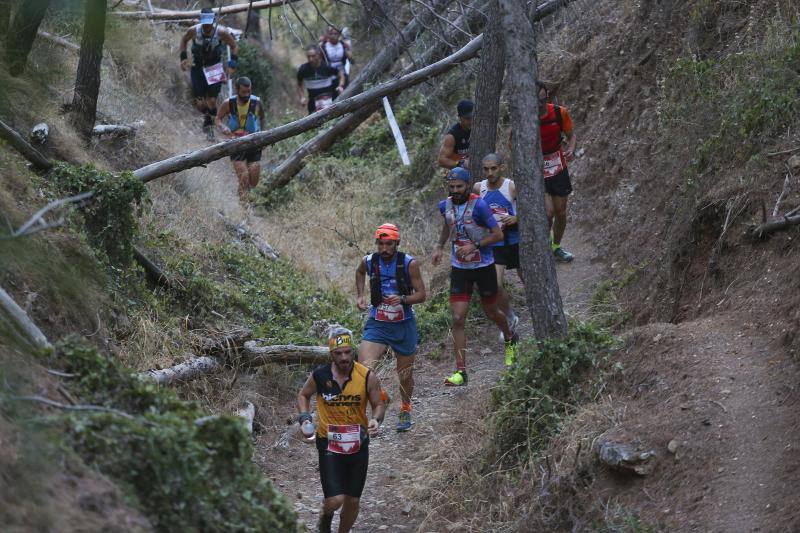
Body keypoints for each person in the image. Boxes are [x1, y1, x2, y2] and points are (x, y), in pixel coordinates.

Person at [432, 167, 517, 386]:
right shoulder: (446, 205)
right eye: (452, 187)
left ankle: (509, 337)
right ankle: (461, 372)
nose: (455, 190)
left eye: (459, 186)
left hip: (483, 265)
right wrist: (440, 246)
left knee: (491, 312)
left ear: (468, 185)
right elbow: (447, 225)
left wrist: (475, 245)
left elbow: (497, 234)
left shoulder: (479, 205)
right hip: (460, 268)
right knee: (458, 318)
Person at [297, 327, 385, 533]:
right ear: (331, 354)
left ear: (353, 350)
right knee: (336, 500)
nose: (344, 357)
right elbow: (303, 395)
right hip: (328, 443)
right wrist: (304, 417)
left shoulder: (366, 376)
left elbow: (379, 403)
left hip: (358, 442)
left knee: (353, 500)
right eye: (338, 353)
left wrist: (376, 420)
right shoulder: (320, 376)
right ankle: (326, 514)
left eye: (348, 352)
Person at [355, 223, 426, 432]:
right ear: (377, 243)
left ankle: (405, 408)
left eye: (389, 244)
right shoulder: (369, 261)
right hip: (378, 323)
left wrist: (403, 298)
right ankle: (382, 397)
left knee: (405, 374)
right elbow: (359, 273)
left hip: (403, 324)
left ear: (397, 243)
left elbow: (422, 295)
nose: (384, 249)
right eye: (381, 244)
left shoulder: (408, 263)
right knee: (363, 370)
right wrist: (360, 295)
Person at [473, 153, 520, 344]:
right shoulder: (479, 188)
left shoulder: (511, 186)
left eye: (493, 168)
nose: (490, 172)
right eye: (486, 169)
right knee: (496, 285)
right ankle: (510, 317)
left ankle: (542, 312)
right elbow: (473, 212)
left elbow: (530, 206)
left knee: (529, 280)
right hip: (495, 242)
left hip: (516, 239)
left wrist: (517, 218)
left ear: (501, 167)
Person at [179, 8, 239, 139]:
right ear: (201, 21)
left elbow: (234, 46)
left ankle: (209, 127)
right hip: (198, 68)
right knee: (200, 103)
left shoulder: (221, 32)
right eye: (204, 22)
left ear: (213, 21)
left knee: (211, 101)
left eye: (209, 23)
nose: (207, 25)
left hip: (214, 68)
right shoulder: (194, 31)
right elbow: (184, 40)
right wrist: (183, 57)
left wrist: (232, 65)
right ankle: (208, 120)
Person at [538, 84, 577, 262]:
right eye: (536, 100)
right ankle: (543, 248)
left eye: (543, 98)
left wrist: (570, 148)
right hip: (538, 170)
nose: (540, 103)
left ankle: (556, 247)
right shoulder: (525, 118)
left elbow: (571, 135)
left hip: (558, 166)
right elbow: (512, 143)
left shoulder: (560, 113)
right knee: (548, 213)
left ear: (547, 96)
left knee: (560, 212)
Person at [216, 77, 266, 201]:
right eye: (244, 92)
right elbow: (217, 119)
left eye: (249, 91)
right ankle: (244, 209)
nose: (247, 95)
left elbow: (263, 119)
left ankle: (245, 195)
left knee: (253, 181)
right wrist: (223, 128)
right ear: (236, 90)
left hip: (254, 143)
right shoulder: (228, 103)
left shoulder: (257, 102)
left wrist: (265, 136)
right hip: (236, 144)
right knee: (244, 177)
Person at [297, 45, 345, 115]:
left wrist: (340, 86)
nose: (310, 59)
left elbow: (341, 75)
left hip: (329, 102)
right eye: (308, 57)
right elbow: (299, 84)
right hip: (313, 103)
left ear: (319, 55)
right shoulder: (303, 69)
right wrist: (302, 97)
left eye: (313, 56)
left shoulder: (327, 67)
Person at [437, 99, 473, 171]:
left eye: (473, 117)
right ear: (459, 118)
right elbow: (441, 160)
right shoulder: (452, 136)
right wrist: (460, 164)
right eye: (467, 118)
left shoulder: (479, 129)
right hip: (458, 171)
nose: (471, 121)